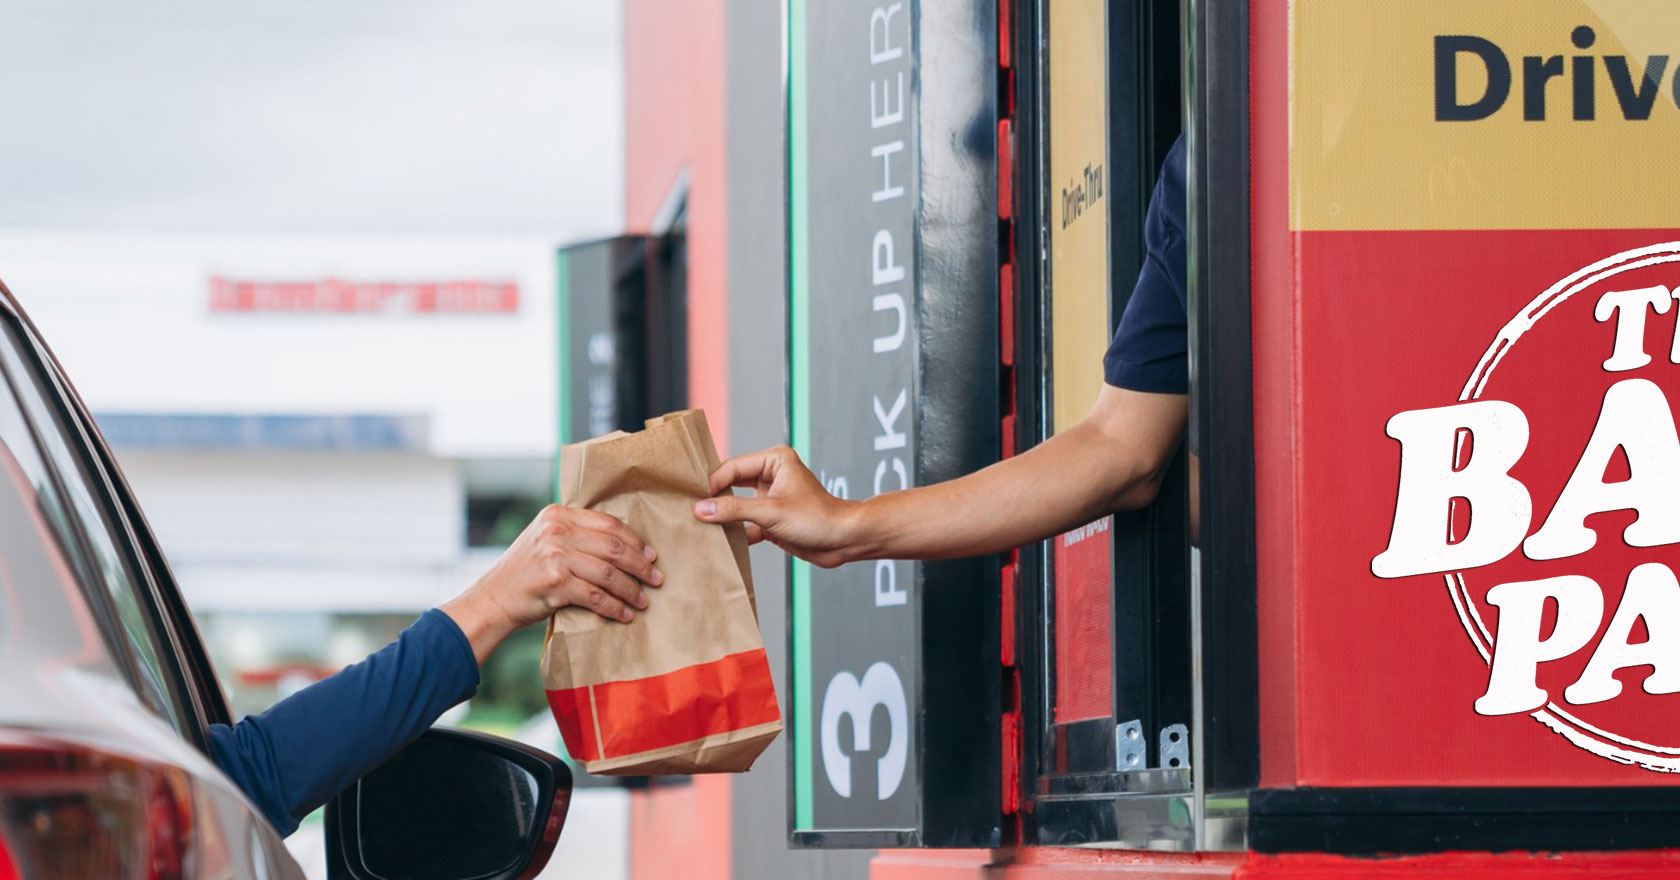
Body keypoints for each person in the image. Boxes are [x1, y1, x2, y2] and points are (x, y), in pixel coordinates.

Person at [694, 134, 1189, 564]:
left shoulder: (1189, 185)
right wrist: (844, 526)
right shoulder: (1187, 188)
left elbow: (1122, 450)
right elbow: (1122, 449)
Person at [208, 503, 661, 837]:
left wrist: (495, 603)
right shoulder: (206, 800)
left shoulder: (200, 801)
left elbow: (247, 775)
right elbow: (252, 774)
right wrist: (492, 603)